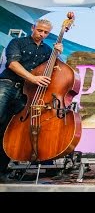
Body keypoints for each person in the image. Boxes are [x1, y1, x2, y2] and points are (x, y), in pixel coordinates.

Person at [0, 19, 63, 183]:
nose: (41, 34)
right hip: (7, 85)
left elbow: (54, 71)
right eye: (39, 30)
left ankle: (1, 171)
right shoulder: (17, 42)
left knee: (11, 131)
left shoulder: (48, 50)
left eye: (45, 32)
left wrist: (57, 55)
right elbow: (12, 64)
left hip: (26, 93)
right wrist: (33, 78)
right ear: (33, 28)